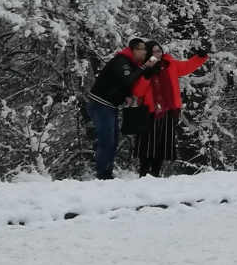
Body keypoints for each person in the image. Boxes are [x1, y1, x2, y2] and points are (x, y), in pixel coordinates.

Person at [128, 40, 210, 177]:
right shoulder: (142, 68)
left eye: (159, 50)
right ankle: (143, 174)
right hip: (148, 112)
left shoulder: (170, 64)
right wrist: (147, 75)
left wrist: (200, 57)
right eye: (153, 51)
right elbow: (138, 92)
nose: (157, 54)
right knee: (147, 146)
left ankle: (155, 173)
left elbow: (187, 67)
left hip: (167, 110)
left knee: (162, 145)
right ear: (148, 53)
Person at [86, 38, 161, 180]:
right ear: (134, 50)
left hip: (109, 105)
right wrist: (145, 67)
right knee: (106, 140)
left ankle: (107, 171)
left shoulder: (132, 64)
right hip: (100, 103)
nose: (145, 52)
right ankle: (102, 173)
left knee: (113, 140)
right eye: (142, 49)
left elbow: (123, 83)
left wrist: (127, 95)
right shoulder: (122, 61)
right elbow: (127, 79)